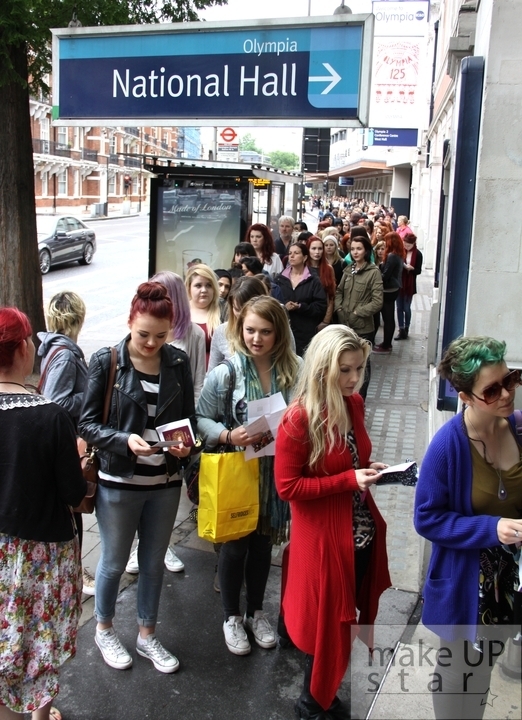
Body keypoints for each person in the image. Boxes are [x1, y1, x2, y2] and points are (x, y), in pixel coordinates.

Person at [78, 282, 197, 674]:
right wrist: (124, 440)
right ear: (130, 321)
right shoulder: (108, 360)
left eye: (160, 336)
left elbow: (189, 421)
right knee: (113, 562)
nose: (151, 343)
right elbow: (86, 424)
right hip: (118, 481)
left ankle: (147, 635)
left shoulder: (177, 362)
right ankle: (104, 628)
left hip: (164, 483)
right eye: (144, 334)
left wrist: (186, 446)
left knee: (152, 562)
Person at [275, 326, 391, 720]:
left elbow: (351, 458)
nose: (354, 379)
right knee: (329, 623)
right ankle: (312, 703)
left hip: (358, 532)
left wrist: (369, 469)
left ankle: (316, 682)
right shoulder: (297, 419)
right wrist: (348, 480)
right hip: (324, 539)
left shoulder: (353, 403)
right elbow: (288, 487)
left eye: (359, 368)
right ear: (322, 369)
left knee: (337, 618)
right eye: (345, 370)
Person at [414, 336, 522, 720]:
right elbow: (427, 518)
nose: (506, 394)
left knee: (484, 666)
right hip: (468, 584)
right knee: (457, 670)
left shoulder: (518, 427)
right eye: (492, 390)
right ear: (465, 397)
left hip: (509, 580)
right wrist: (492, 529)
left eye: (510, 380)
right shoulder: (448, 446)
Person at [197, 296, 300, 657]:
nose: (257, 338)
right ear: (240, 330)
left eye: (266, 331)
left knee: (262, 545)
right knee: (235, 545)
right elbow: (201, 418)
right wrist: (228, 435)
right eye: (250, 330)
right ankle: (231, 617)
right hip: (238, 471)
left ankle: (256, 612)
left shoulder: (295, 370)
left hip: (275, 474)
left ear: (279, 333)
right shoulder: (226, 374)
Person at [0, 307, 87, 720]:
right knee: (41, 641)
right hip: (42, 556)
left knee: (5, 648)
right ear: (22, 349)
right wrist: (80, 459)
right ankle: (38, 713)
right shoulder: (50, 415)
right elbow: (73, 494)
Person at [122, 270, 206, 576]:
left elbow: (197, 383)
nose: (152, 342)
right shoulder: (127, 345)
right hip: (136, 443)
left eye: (160, 336)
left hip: (172, 438)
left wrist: (189, 433)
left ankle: (162, 545)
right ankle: (138, 546)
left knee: (165, 497)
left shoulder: (192, 336)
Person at [37, 290, 94, 596]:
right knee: (74, 506)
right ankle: (74, 574)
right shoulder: (66, 355)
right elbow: (56, 401)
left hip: (63, 442)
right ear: (78, 318)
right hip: (67, 444)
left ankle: (72, 571)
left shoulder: (54, 348)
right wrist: (92, 396)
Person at [335, 235, 383, 399]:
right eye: (353, 249)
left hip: (363, 328)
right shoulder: (349, 270)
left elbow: (377, 302)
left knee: (362, 366)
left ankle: (360, 400)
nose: (355, 252)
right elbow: (339, 291)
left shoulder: (373, 272)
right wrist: (339, 308)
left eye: (359, 249)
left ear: (366, 251)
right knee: (345, 363)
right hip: (344, 325)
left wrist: (358, 312)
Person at [273, 242, 327, 356]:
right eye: (290, 253)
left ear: (305, 257)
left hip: (305, 331)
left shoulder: (313, 280)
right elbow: (273, 302)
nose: (291, 256)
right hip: (284, 331)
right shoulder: (279, 279)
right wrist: (284, 306)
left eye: (296, 253)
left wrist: (301, 307)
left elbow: (321, 306)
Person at [208, 276, 268, 373]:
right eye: (237, 309)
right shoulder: (222, 331)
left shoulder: (279, 330)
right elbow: (211, 374)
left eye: (246, 310)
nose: (241, 316)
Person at [373, 232, 405, 353]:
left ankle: (386, 345)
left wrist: (376, 273)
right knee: (389, 317)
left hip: (388, 290)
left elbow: (385, 276)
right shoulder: (398, 255)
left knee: (388, 318)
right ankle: (386, 343)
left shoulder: (392, 256)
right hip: (394, 288)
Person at [185, 263, 221, 370]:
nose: (204, 290)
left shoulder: (224, 311)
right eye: (198, 285)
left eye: (209, 285)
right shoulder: (180, 312)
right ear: (189, 288)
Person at [395, 233, 423, 340]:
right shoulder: (400, 252)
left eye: (408, 245)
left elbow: (418, 271)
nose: (406, 246)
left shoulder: (418, 254)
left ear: (413, 244)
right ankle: (401, 329)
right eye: (405, 244)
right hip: (399, 282)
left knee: (406, 308)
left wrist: (412, 269)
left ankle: (406, 327)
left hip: (410, 284)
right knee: (399, 308)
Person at [305, 235, 336, 331]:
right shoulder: (302, 268)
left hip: (323, 315)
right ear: (308, 250)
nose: (317, 252)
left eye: (320, 249)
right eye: (313, 248)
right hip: (306, 314)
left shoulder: (328, 269)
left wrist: (326, 321)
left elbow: (331, 296)